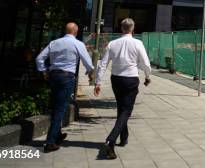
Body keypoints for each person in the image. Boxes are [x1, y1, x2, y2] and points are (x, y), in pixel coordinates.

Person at [94, 18, 151, 159]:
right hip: (131, 79)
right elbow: (145, 62)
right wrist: (147, 76)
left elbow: (103, 63)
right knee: (126, 110)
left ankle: (124, 137)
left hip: (116, 79)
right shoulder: (138, 43)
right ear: (133, 28)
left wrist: (98, 82)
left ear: (121, 28)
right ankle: (111, 140)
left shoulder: (113, 44)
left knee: (121, 107)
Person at [36, 22, 94, 153]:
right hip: (67, 77)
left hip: (53, 76)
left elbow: (39, 58)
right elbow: (88, 63)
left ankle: (57, 134)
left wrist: (44, 70)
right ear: (76, 32)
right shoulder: (78, 44)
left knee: (55, 105)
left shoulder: (54, 43)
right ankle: (49, 142)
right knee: (60, 109)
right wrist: (90, 74)